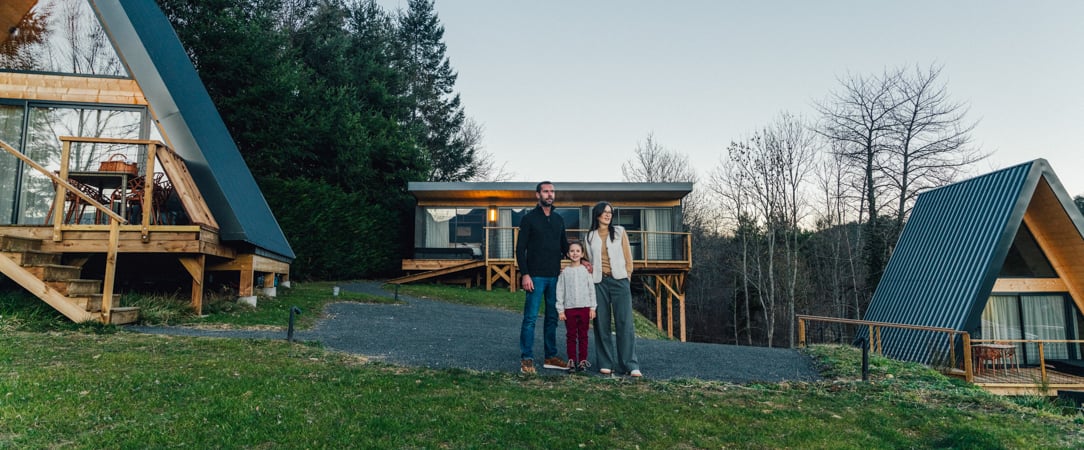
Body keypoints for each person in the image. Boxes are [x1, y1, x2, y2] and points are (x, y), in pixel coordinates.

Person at [516, 181, 571, 374]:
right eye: (546, 191)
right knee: (530, 319)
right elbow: (520, 249)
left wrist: (584, 261)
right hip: (535, 277)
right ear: (538, 195)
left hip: (554, 277)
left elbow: (565, 247)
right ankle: (527, 359)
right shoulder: (529, 219)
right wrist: (525, 274)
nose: (549, 194)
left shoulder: (558, 220)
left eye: (552, 191)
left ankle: (550, 356)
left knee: (552, 318)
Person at [586, 201, 642, 378]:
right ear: (597, 215)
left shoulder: (620, 232)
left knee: (624, 322)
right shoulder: (590, 236)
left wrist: (628, 275)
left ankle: (629, 364)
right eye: (604, 212)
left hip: (620, 281)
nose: (608, 215)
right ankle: (605, 363)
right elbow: (588, 259)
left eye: (610, 212)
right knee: (601, 322)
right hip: (599, 282)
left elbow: (628, 256)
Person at [556, 241, 597, 373]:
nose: (575, 253)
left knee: (583, 335)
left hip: (585, 307)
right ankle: (572, 360)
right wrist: (560, 310)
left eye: (577, 251)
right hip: (570, 308)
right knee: (571, 335)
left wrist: (592, 308)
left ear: (582, 254)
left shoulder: (586, 271)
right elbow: (560, 290)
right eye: (572, 251)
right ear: (568, 254)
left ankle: (583, 360)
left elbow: (591, 290)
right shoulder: (565, 272)